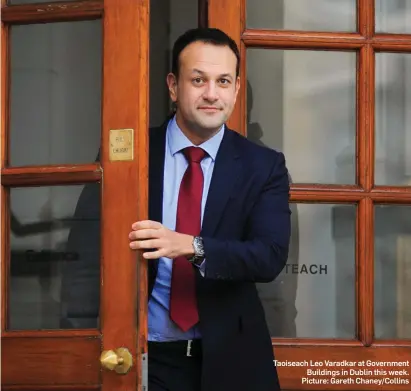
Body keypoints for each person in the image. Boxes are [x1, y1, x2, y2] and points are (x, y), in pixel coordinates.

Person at [127, 28, 291, 391]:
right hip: (145, 358)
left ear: (235, 89)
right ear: (173, 86)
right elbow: (91, 252)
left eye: (223, 81)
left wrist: (192, 246)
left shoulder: (263, 166)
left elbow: (270, 256)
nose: (211, 94)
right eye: (198, 80)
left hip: (233, 359)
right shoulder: (133, 155)